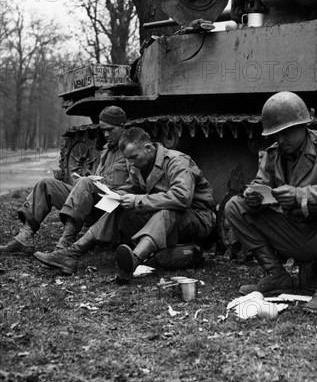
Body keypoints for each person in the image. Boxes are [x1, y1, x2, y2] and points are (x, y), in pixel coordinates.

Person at [224, 91, 317, 313]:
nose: (281, 140)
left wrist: (302, 195)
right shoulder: (274, 155)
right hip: (293, 232)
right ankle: (276, 274)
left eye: (287, 133)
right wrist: (253, 196)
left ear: (303, 126)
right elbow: (260, 185)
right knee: (235, 206)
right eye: (276, 134)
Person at [33, 127, 216, 282]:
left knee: (167, 211)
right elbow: (131, 188)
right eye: (127, 159)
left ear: (148, 148)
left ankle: (133, 261)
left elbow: (182, 198)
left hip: (198, 218)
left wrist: (137, 200)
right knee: (119, 209)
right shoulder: (140, 166)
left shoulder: (177, 162)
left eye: (133, 157)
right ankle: (71, 254)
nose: (130, 163)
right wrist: (117, 196)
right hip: (164, 217)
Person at [0, 106, 129, 255]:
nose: (106, 134)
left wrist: (91, 185)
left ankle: (63, 248)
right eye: (103, 129)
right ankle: (23, 239)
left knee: (85, 183)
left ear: (122, 127)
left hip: (112, 211)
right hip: (95, 205)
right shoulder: (107, 150)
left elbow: (136, 187)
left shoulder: (131, 151)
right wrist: (83, 184)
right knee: (45, 184)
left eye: (111, 129)